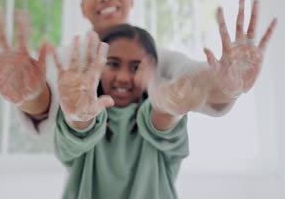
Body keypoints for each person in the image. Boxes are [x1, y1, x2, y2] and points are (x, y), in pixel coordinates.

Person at [0, 0, 277, 134]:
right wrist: (31, 95)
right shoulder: (67, 60)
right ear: (83, 8)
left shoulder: (158, 57)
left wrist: (226, 85)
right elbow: (46, 106)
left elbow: (194, 78)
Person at [52, 24, 196, 199]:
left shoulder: (155, 116)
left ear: (152, 70)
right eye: (113, 64)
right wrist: (77, 116)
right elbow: (81, 128)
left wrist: (170, 98)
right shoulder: (87, 116)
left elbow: (164, 119)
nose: (123, 78)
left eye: (135, 67)